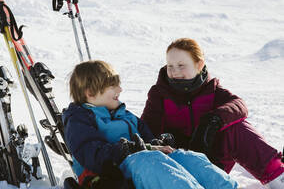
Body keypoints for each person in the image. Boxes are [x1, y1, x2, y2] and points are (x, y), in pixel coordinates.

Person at [63, 60, 238, 189]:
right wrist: (128, 149)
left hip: (141, 163)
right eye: (113, 86)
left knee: (187, 157)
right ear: (91, 93)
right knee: (151, 160)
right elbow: (90, 153)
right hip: (110, 173)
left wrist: (157, 144)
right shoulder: (79, 119)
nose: (120, 90)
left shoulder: (126, 115)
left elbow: (147, 138)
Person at [141, 38, 284, 189]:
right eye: (170, 66)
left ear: (199, 65)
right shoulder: (160, 93)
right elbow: (146, 129)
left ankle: (277, 176)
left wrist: (213, 120)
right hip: (179, 166)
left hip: (212, 163)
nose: (174, 71)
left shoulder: (212, 89)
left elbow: (239, 105)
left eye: (181, 65)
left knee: (236, 127)